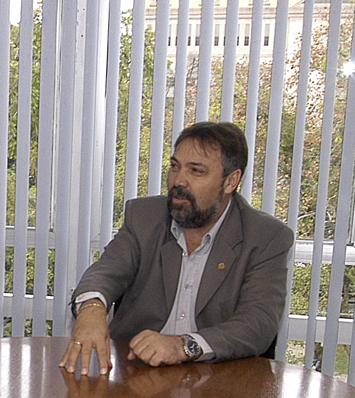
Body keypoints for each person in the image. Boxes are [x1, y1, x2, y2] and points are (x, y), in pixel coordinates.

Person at [60, 120, 294, 376]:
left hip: (219, 383)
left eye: (196, 171)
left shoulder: (266, 237)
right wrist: (92, 308)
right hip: (138, 378)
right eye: (175, 167)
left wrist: (183, 345)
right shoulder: (144, 217)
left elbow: (257, 323)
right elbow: (106, 271)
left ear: (230, 181)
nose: (178, 181)